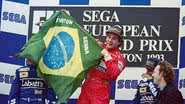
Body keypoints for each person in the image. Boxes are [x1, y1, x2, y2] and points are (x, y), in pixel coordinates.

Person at [77, 26, 126, 104]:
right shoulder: (99, 46)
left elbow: (114, 74)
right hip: (87, 85)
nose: (110, 40)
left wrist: (106, 55)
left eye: (114, 38)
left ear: (119, 42)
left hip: (101, 90)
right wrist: (91, 44)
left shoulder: (120, 58)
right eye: (109, 37)